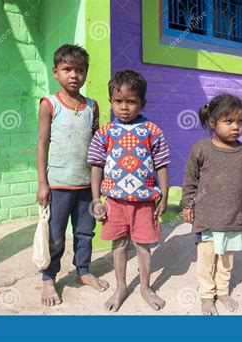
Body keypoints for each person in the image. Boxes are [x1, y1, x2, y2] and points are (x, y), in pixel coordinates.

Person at [88, 70, 170, 312]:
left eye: (131, 101)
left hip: (144, 202)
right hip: (114, 202)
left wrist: (163, 195)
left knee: (143, 246)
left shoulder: (152, 131)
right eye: (118, 101)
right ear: (111, 102)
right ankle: (121, 286)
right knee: (119, 245)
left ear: (142, 102)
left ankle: (145, 287)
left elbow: (162, 164)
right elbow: (96, 166)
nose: (124, 107)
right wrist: (96, 199)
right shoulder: (104, 133)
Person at [36, 44, 109, 306]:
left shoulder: (92, 106)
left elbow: (98, 145)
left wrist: (100, 188)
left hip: (86, 185)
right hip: (57, 185)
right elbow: (42, 143)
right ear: (55, 72)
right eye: (67, 69)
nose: (74, 75)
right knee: (55, 235)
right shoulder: (49, 104)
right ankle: (48, 277)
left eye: (80, 70)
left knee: (85, 232)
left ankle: (83, 271)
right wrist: (42, 183)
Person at [181, 93, 242, 315]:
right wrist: (188, 204)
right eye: (229, 121)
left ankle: (223, 291)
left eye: (240, 121)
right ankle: (207, 296)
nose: (236, 127)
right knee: (207, 259)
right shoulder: (201, 149)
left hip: (232, 218)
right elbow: (190, 180)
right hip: (206, 217)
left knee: (226, 260)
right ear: (212, 123)